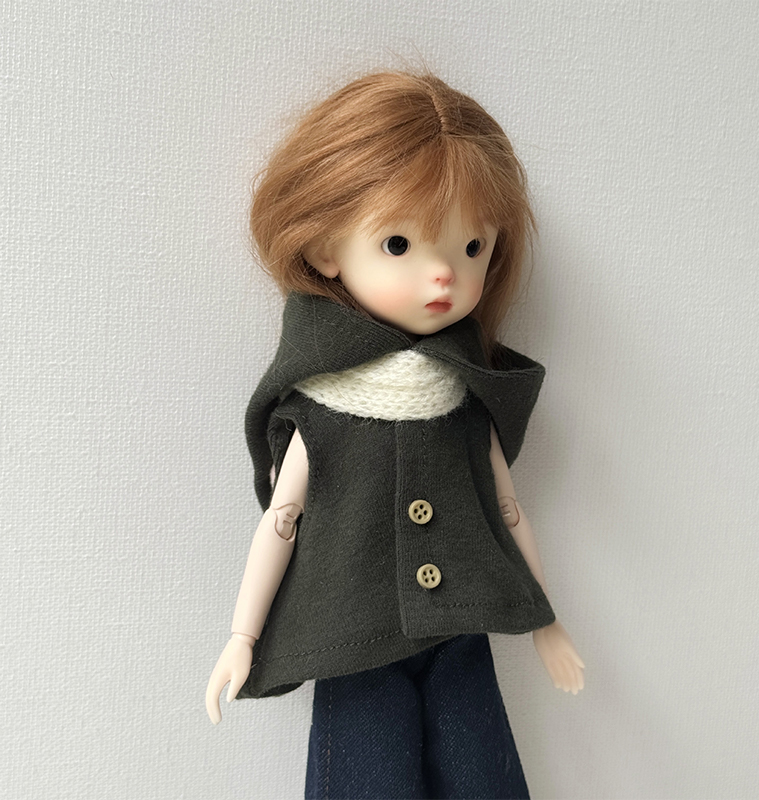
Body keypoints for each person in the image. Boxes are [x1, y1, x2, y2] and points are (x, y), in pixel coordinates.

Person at [206, 71, 585, 800]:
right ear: (325, 249)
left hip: (461, 635)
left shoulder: (464, 394)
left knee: (484, 780)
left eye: (471, 247)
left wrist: (546, 621)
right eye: (400, 242)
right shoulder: (321, 402)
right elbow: (282, 520)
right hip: (353, 645)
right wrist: (243, 637)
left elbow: (507, 510)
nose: (443, 276)